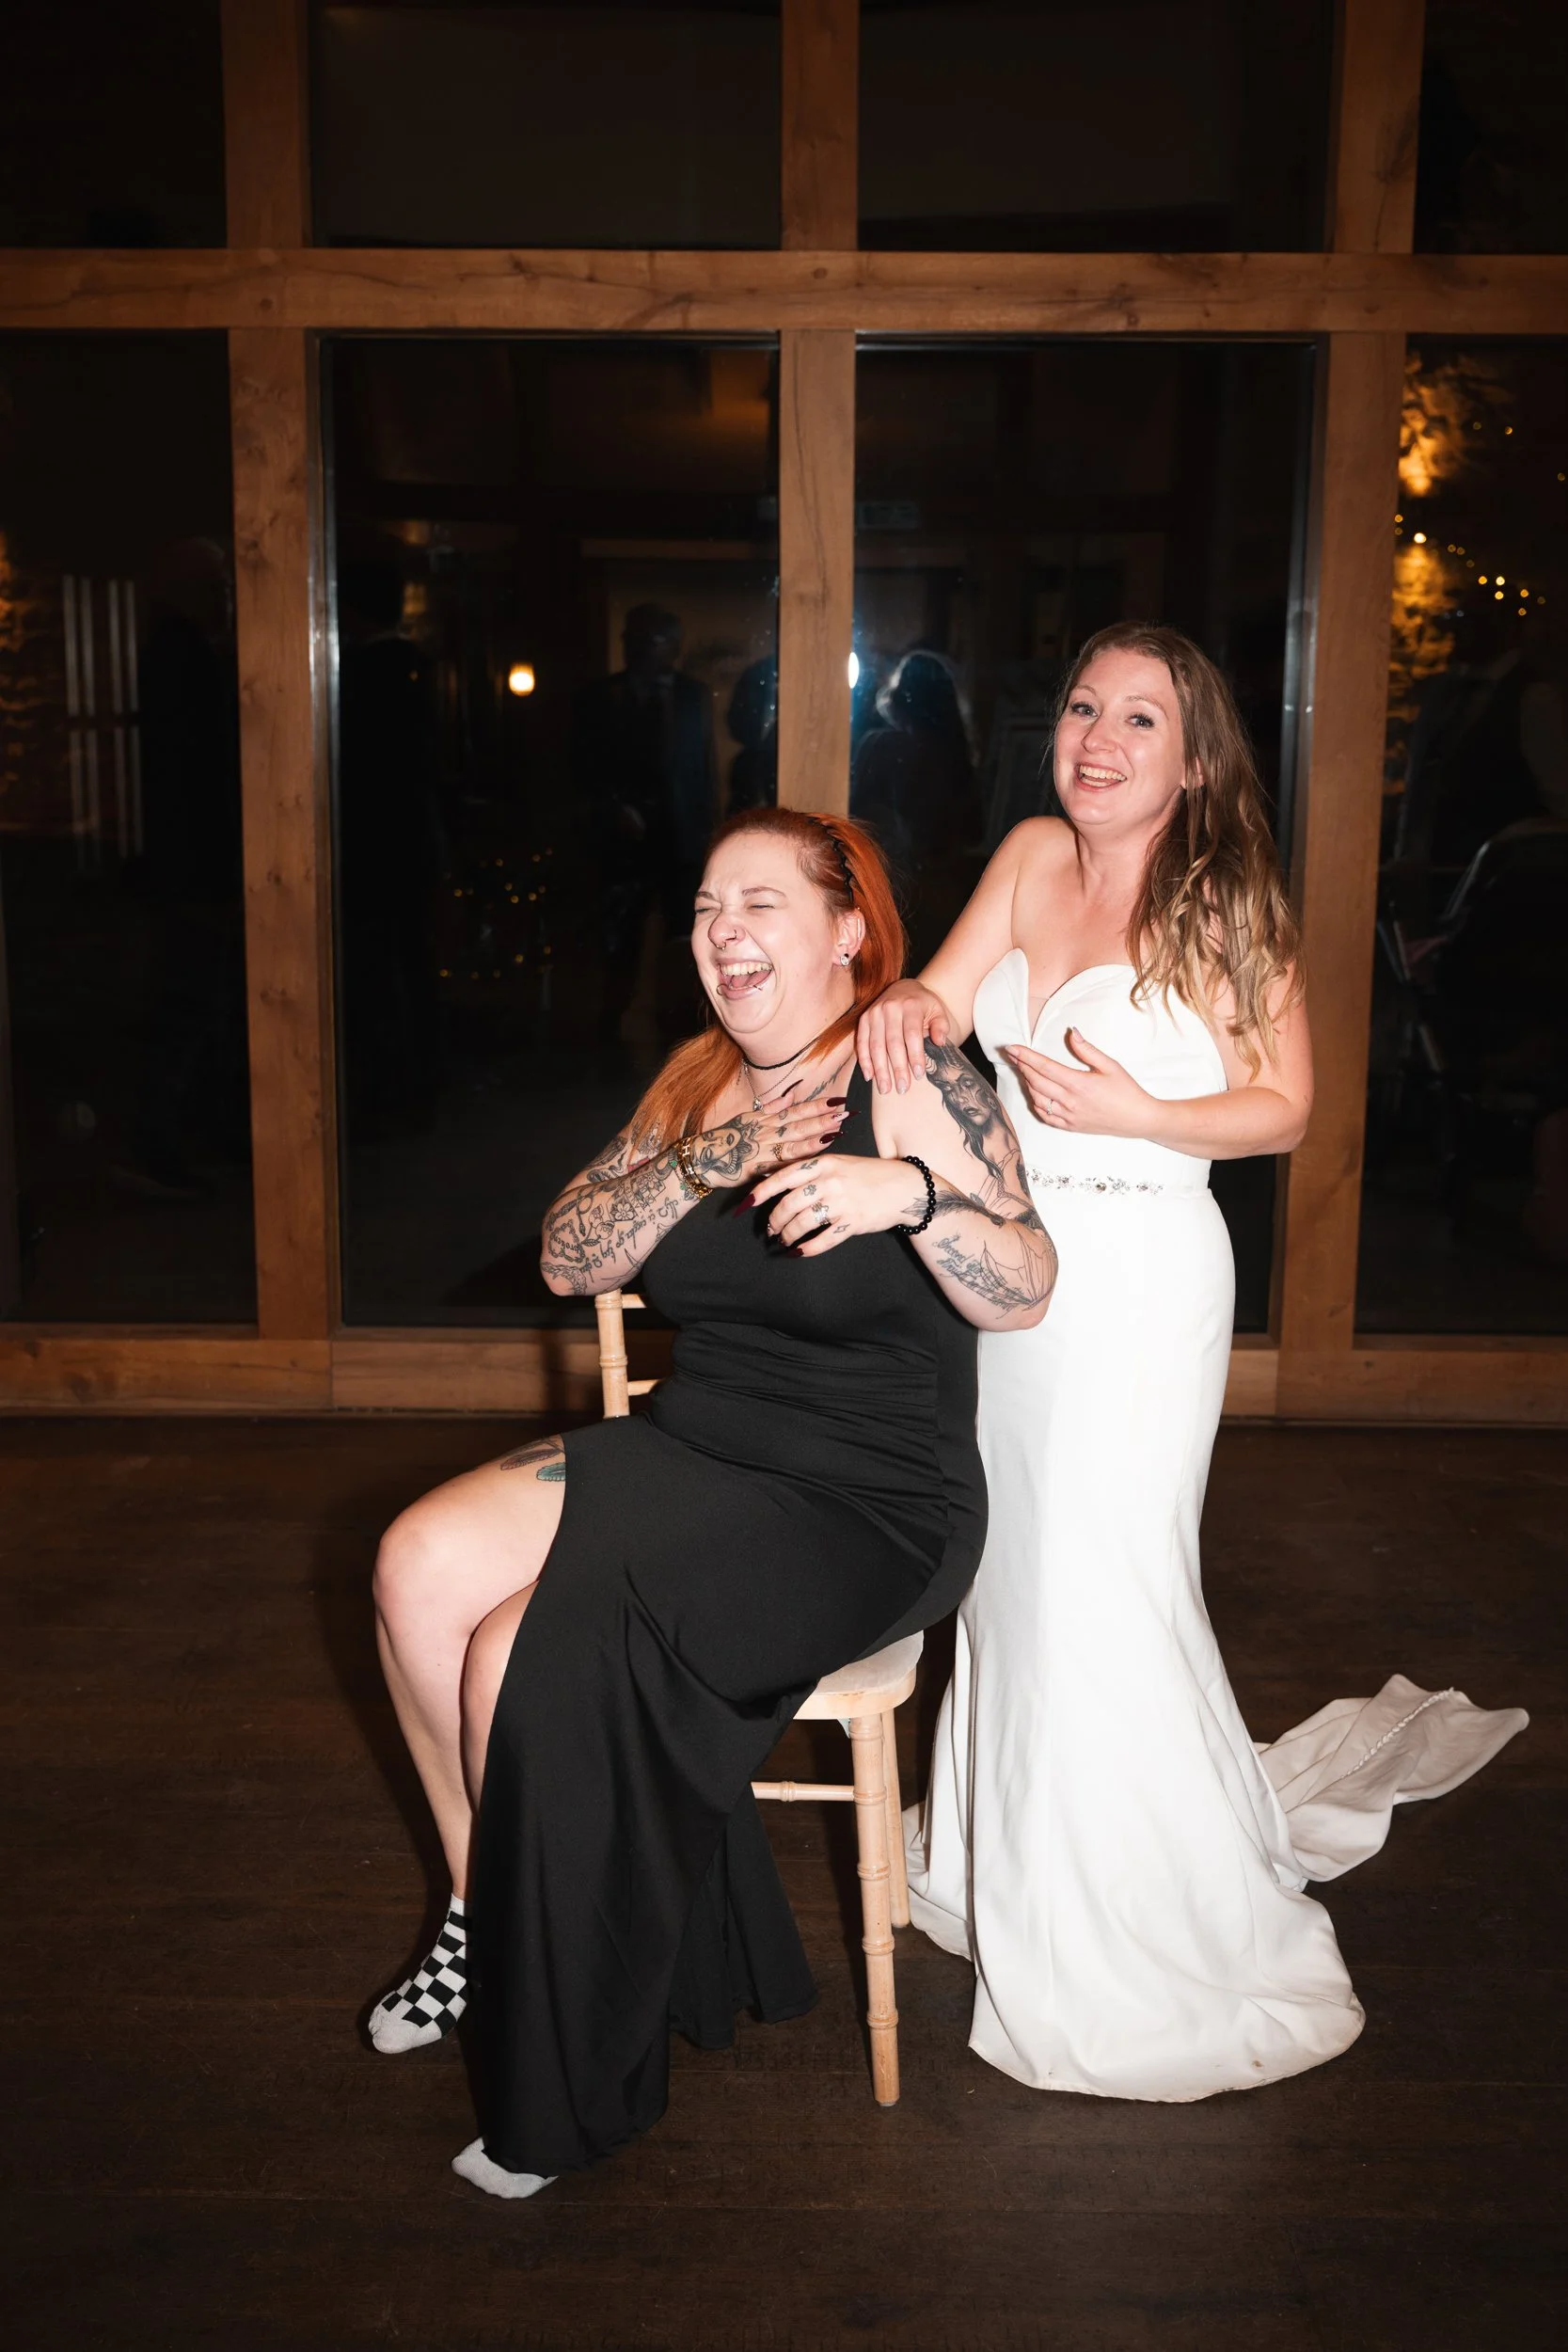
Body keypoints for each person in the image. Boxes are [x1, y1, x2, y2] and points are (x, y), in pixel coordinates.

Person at [858, 623, 1528, 2102]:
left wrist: (1133, 1117)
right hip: (1010, 1270)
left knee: (1107, 1579)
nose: (1095, 738)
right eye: (1081, 707)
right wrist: (907, 1006)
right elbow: (952, 995)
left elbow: (1283, 1107)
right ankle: (1001, 1853)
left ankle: (1134, 1920)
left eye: (1137, 721)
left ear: (1193, 757)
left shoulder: (1225, 895)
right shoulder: (1032, 854)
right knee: (1013, 1573)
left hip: (1145, 1276)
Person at [367, 807, 1054, 2195]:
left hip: (868, 1498)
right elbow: (566, 1260)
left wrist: (908, 1195)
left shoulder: (909, 1066)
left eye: (757, 904)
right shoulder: (697, 1082)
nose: (720, 934)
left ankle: (555, 2047)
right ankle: (481, 1912)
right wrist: (702, 1161)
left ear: (847, 929)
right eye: (700, 910)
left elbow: (1028, 1283)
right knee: (414, 1561)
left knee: (515, 1654)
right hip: (700, 1445)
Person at [570, 603, 719, 1046]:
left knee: (686, 936)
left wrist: (709, 831)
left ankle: (685, 1032)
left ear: (673, 647)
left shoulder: (693, 695)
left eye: (650, 640)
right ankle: (608, 1030)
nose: (636, 648)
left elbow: (702, 770)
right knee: (620, 938)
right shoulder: (601, 697)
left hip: (682, 839)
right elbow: (581, 769)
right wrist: (612, 809)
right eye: (630, 639)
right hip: (623, 842)